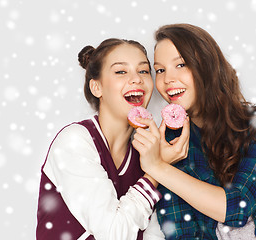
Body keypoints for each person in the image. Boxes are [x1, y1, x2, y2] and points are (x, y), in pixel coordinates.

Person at [132, 24, 256, 239]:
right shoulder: (171, 143)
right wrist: (159, 163)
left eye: (181, 64)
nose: (167, 79)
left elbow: (238, 208)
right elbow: (180, 232)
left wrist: (157, 166)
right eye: (160, 70)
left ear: (207, 66)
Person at [36, 38, 165, 240]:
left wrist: (156, 165)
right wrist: (156, 172)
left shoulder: (145, 156)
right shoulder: (75, 142)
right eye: (121, 71)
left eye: (143, 71)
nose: (137, 79)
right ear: (97, 88)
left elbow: (154, 235)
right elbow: (113, 234)